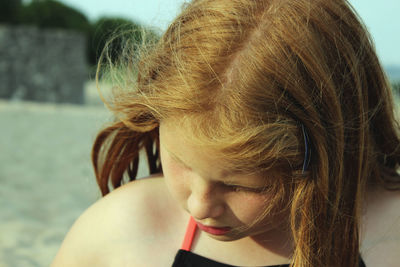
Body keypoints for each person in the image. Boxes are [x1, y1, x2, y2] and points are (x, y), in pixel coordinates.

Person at [51, 0, 400, 266]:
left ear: (330, 151)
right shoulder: (122, 229)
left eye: (241, 185)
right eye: (181, 162)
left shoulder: (391, 238)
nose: (199, 205)